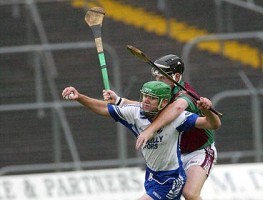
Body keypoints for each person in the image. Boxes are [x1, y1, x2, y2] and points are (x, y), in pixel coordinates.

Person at [62, 80, 221, 200]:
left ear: (164, 103)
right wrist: (79, 97)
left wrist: (207, 111)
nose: (145, 100)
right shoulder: (134, 114)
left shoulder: (177, 119)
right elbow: (104, 108)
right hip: (152, 178)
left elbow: (212, 124)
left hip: (171, 179)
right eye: (144, 96)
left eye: (151, 98)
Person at [105, 54, 220, 200]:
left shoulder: (185, 94)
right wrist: (120, 101)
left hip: (199, 151)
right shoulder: (161, 91)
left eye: (163, 78)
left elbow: (177, 108)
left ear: (177, 76)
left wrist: (150, 130)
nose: (158, 81)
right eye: (156, 77)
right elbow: (145, 106)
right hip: (175, 156)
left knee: (190, 194)